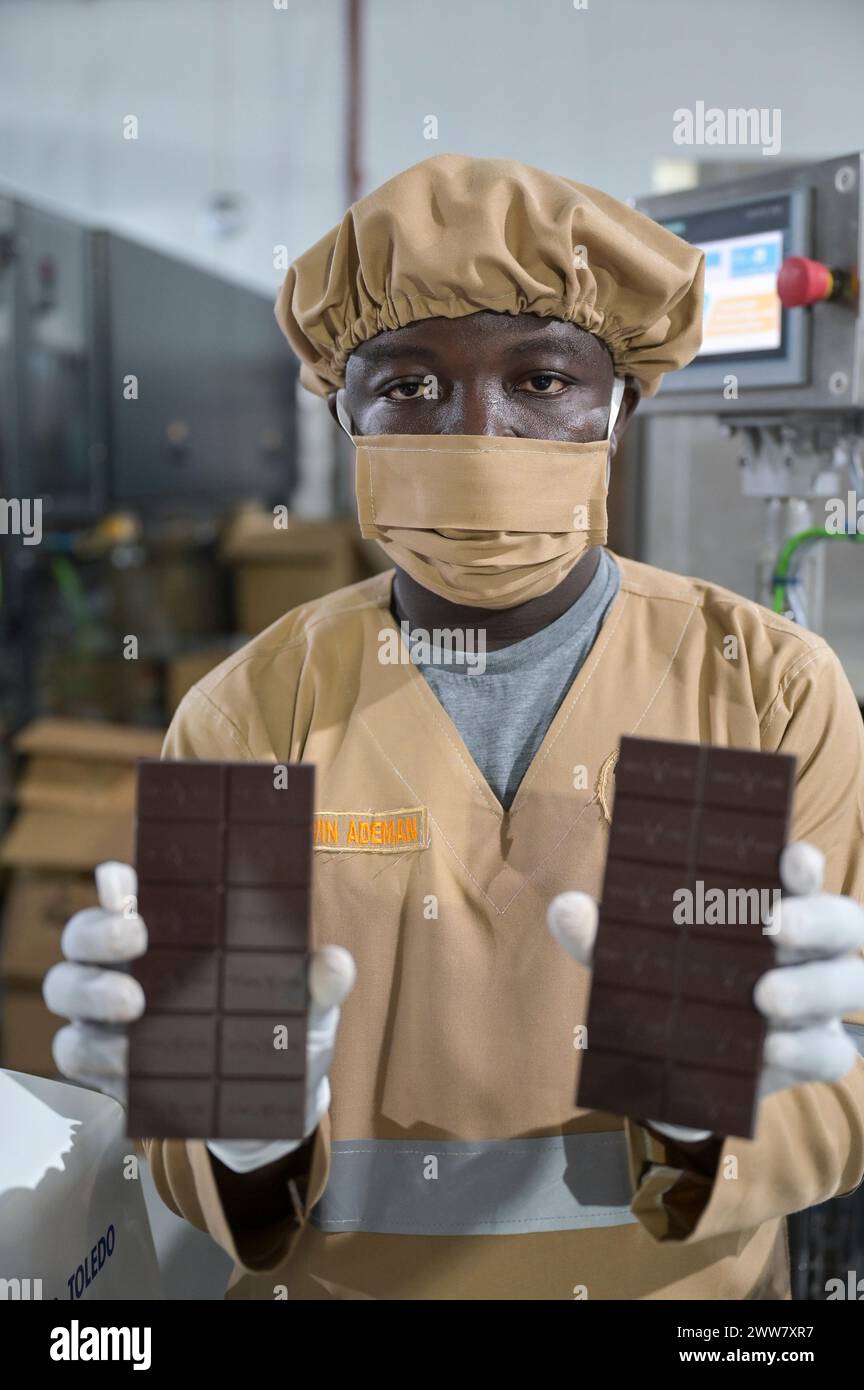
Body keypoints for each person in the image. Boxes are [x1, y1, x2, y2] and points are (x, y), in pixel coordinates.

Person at [44, 155, 864, 1300]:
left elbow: (843, 1076)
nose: (480, 431)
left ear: (625, 402)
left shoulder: (759, 690)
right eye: (412, 386)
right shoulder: (254, 712)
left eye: (541, 380)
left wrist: (708, 1123)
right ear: (342, 405)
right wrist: (241, 1139)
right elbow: (195, 1130)